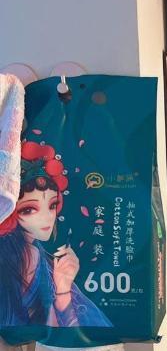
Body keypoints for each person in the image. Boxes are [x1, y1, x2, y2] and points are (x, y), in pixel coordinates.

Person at [0, 140, 112, 328]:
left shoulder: (35, 253)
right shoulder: (30, 254)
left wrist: (62, 286)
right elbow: (53, 332)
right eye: (29, 209)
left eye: (52, 205)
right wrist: (62, 290)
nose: (47, 218)